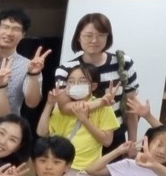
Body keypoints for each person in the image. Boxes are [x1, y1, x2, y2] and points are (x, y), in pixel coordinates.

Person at [38, 62, 118, 176]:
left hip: (85, 171)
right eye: (71, 81)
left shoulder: (104, 107)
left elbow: (107, 141)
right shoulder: (61, 107)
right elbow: (41, 132)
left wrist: (84, 120)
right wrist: (49, 104)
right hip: (60, 166)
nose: (76, 85)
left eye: (82, 81)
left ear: (93, 86)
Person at [55, 12, 140, 143]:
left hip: (115, 136)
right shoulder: (66, 69)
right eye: (88, 35)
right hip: (80, 137)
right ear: (78, 37)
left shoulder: (123, 63)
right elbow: (64, 107)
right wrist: (100, 103)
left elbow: (131, 106)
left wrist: (132, 142)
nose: (94, 40)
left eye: (101, 35)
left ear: (108, 37)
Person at [85, 125, 166, 176]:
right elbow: (92, 170)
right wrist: (118, 151)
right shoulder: (129, 165)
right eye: (159, 145)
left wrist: (154, 165)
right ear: (148, 143)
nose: (163, 151)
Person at [0, 8, 49, 115]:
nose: (9, 33)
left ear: (23, 35)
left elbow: (32, 103)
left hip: (7, 123)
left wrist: (33, 74)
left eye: (16, 29)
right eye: (5, 27)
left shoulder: (28, 65)